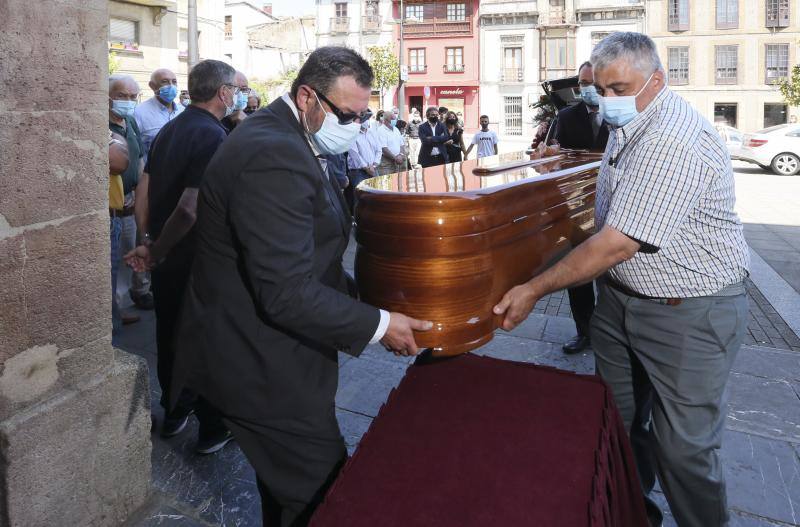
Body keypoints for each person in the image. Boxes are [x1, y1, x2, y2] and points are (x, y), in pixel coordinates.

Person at [492, 32, 749, 527]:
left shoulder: (672, 138)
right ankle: (633, 514)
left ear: (657, 80)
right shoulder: (632, 123)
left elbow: (617, 242)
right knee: (616, 422)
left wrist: (532, 288)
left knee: (684, 449)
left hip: (688, 310)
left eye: (619, 88)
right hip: (621, 300)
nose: (608, 100)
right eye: (601, 90)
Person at [168, 46, 432, 526]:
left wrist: (371, 298)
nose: (354, 125)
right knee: (323, 494)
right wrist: (380, 325)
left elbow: (313, 257)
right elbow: (285, 291)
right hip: (258, 362)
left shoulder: (289, 137)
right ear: (307, 96)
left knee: (285, 490)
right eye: (346, 114)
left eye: (362, 114)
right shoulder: (273, 153)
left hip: (277, 353)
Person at [126, 59, 236, 453]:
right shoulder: (213, 136)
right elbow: (190, 209)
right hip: (194, 256)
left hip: (165, 252)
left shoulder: (171, 129)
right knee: (206, 338)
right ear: (223, 92)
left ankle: (175, 411)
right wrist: (158, 248)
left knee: (169, 333)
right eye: (233, 89)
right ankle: (212, 426)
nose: (236, 95)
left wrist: (147, 240)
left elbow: (144, 189)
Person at [552, 61, 610, 355]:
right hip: (579, 206)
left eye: (592, 82)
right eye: (582, 83)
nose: (586, 88)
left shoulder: (621, 115)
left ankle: (611, 335)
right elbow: (559, 155)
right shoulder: (566, 116)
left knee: (610, 272)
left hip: (614, 205)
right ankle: (584, 331)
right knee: (579, 276)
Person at [108, 74, 152, 313]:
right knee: (114, 263)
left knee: (128, 258)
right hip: (114, 205)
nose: (128, 101)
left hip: (134, 201)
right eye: (121, 96)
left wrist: (140, 190)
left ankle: (122, 306)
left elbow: (139, 160)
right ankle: (114, 315)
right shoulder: (101, 126)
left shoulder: (131, 122)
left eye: (133, 96)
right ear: (108, 99)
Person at [134, 68, 183, 162]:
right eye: (165, 82)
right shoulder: (139, 112)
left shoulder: (183, 111)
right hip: (152, 173)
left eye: (174, 82)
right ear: (152, 86)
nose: (171, 86)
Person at [108, 130, 130, 337]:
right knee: (107, 283)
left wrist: (118, 139)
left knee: (111, 281)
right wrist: (118, 140)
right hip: (105, 218)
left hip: (114, 215)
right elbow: (120, 161)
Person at [346, 118, 382, 212]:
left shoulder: (372, 133)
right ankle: (359, 222)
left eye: (367, 118)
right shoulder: (352, 134)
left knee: (376, 196)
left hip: (373, 169)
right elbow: (354, 154)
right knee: (360, 199)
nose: (366, 121)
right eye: (363, 119)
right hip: (358, 172)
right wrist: (366, 167)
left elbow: (379, 150)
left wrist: (374, 165)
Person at [376, 109, 406, 175]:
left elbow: (401, 144)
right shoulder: (381, 131)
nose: (394, 121)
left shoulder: (396, 129)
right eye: (392, 119)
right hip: (386, 163)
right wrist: (396, 158)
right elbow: (384, 148)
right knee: (388, 182)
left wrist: (401, 155)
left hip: (398, 161)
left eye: (395, 119)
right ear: (386, 120)